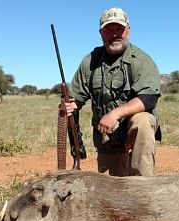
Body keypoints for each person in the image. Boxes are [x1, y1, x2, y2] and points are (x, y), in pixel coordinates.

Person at [66, 7, 162, 176]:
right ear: (100, 33)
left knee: (142, 121)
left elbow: (148, 99)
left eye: (119, 29)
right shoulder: (90, 61)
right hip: (107, 137)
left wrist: (115, 114)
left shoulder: (141, 61)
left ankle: (141, 187)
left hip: (133, 130)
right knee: (109, 193)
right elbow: (76, 97)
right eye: (108, 30)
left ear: (128, 31)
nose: (114, 34)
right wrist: (70, 104)